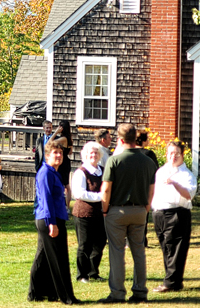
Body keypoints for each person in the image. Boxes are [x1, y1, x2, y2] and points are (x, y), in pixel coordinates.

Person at [99, 123, 157, 304]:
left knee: (117, 252)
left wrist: (104, 209)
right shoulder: (148, 161)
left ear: (121, 139)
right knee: (138, 251)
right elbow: (152, 189)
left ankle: (117, 293)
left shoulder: (114, 160)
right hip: (140, 210)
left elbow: (106, 189)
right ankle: (140, 291)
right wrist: (146, 208)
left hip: (117, 209)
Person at [28, 140, 79, 305]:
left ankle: (38, 293)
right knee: (59, 259)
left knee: (43, 257)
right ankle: (66, 297)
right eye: (55, 153)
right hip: (49, 219)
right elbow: (46, 200)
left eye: (61, 153)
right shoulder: (45, 173)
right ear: (48, 155)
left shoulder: (54, 172)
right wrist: (52, 223)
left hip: (54, 217)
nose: (58, 156)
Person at [151, 140, 197, 293]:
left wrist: (174, 183)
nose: (173, 156)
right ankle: (174, 281)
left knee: (175, 249)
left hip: (177, 213)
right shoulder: (160, 171)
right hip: (159, 213)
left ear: (182, 155)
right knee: (166, 248)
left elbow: (189, 195)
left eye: (177, 153)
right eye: (170, 153)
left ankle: (170, 283)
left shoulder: (186, 175)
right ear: (166, 154)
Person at [71, 141, 107, 283]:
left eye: (96, 152)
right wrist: (100, 197)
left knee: (100, 243)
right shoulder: (81, 172)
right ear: (85, 155)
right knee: (85, 245)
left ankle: (93, 272)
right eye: (91, 153)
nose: (93, 155)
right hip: (84, 214)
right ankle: (82, 275)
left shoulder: (103, 170)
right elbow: (79, 193)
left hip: (101, 213)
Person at [49, 120, 73, 205]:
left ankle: (64, 205)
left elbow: (50, 143)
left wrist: (55, 132)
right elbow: (70, 152)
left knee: (63, 184)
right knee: (67, 184)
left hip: (62, 163)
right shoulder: (69, 138)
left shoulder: (63, 138)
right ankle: (67, 205)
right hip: (67, 161)